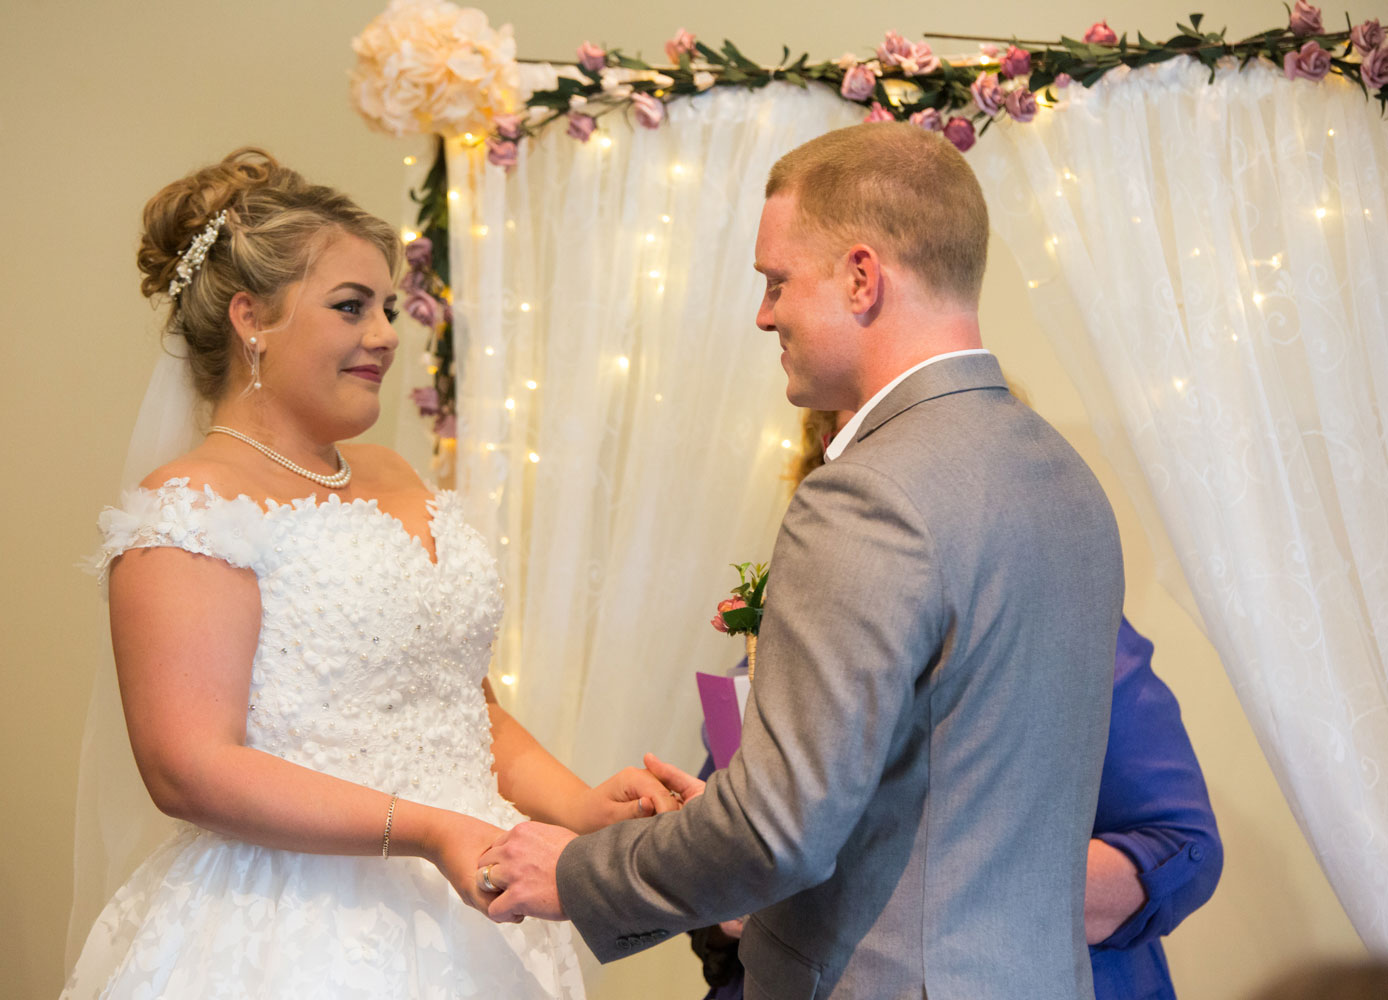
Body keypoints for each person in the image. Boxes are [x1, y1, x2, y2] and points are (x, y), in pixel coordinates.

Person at [479, 121, 1125, 999]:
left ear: (861, 277)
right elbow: (958, 783)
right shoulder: (1065, 475)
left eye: (777, 281)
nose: (763, 312)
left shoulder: (867, 493)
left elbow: (781, 835)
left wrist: (579, 871)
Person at [61, 148, 678, 999]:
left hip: (467, 909)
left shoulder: (392, 472)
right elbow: (189, 767)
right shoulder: (192, 509)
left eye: (388, 307)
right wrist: (425, 830)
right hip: (289, 929)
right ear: (252, 319)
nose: (387, 335)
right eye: (352, 307)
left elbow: (460, 704)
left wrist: (582, 808)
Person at [691, 408, 1224, 1000]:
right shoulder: (778, 644)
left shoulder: (1060, 622)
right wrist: (714, 871)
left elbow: (1180, 846)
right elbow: (732, 835)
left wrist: (913, 899)